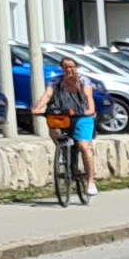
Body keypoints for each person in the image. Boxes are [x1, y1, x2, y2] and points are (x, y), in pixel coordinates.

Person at [44, 53, 96, 203]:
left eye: (71, 67)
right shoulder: (55, 81)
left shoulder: (83, 81)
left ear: (76, 68)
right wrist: (38, 107)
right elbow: (47, 96)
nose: (68, 70)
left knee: (84, 146)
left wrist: (90, 109)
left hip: (83, 117)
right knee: (53, 127)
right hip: (64, 116)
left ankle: (91, 181)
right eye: (65, 67)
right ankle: (64, 153)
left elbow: (88, 97)